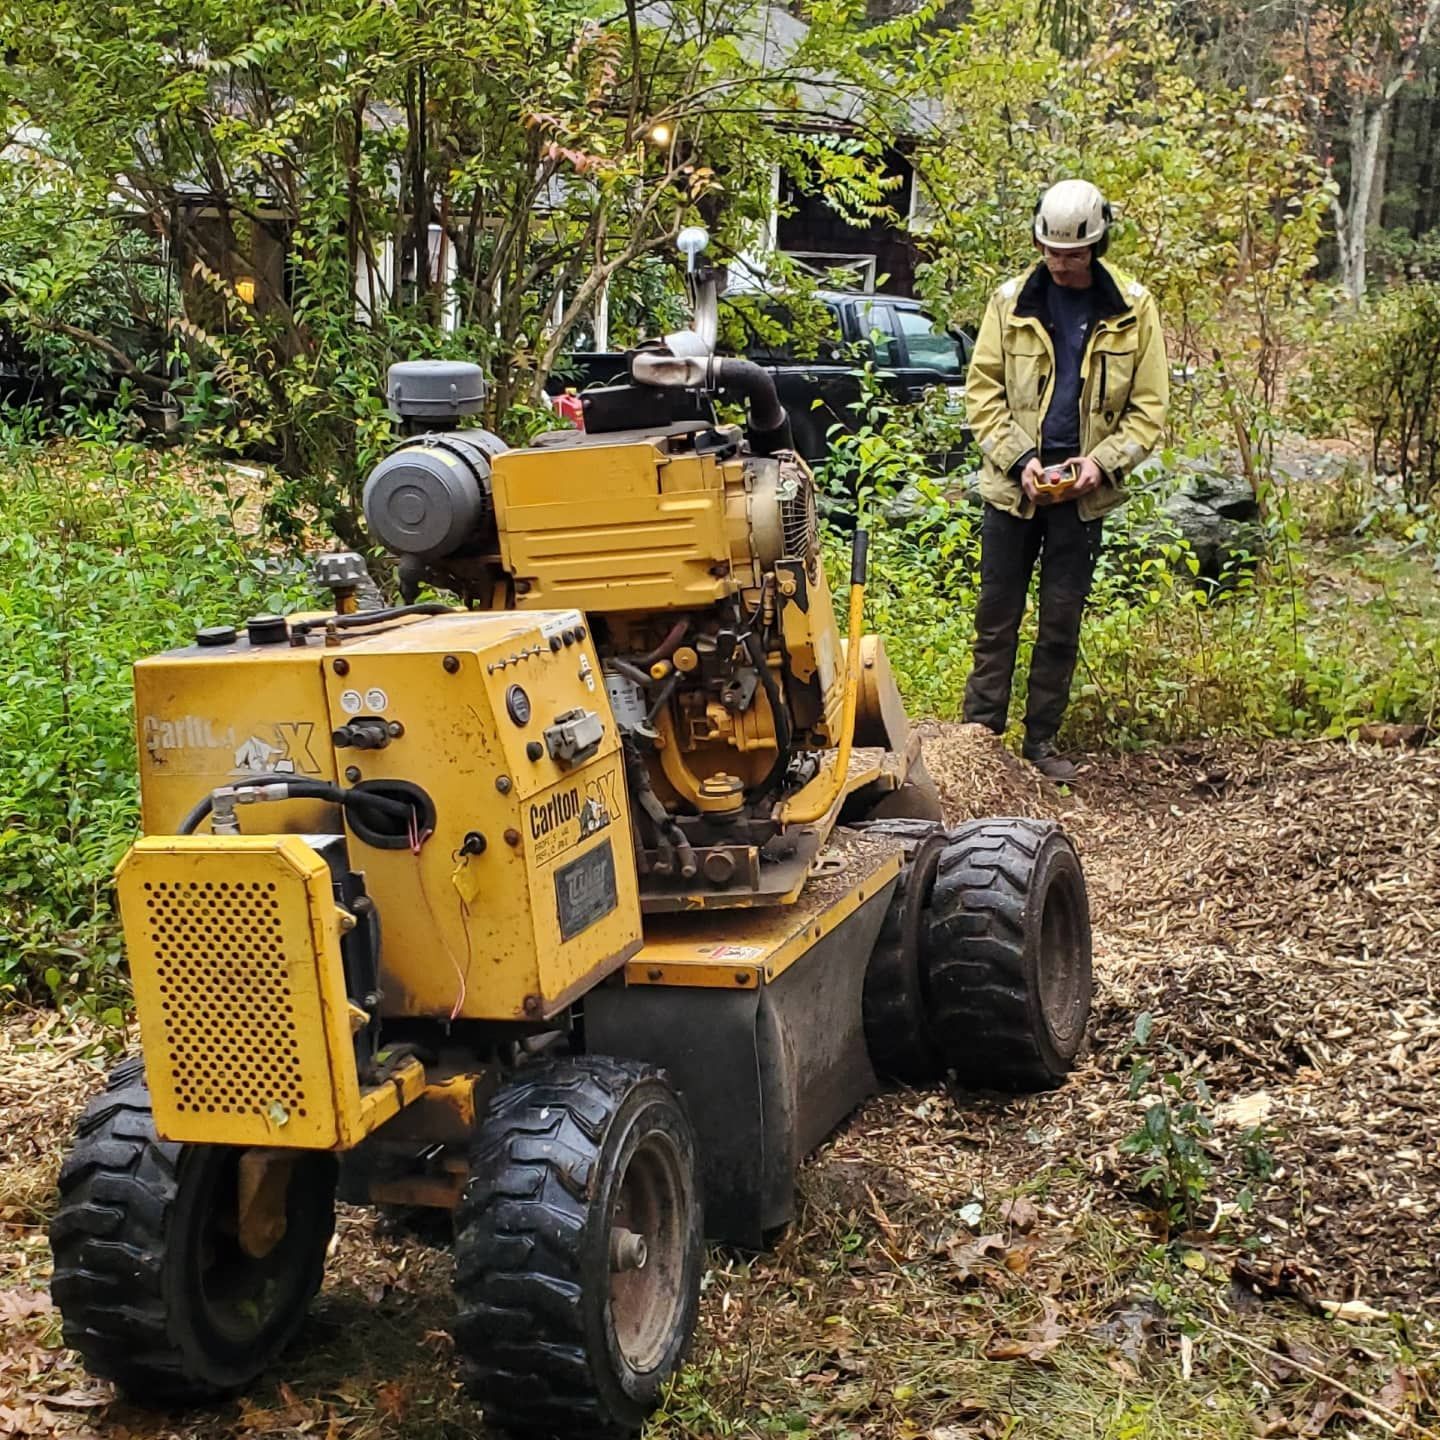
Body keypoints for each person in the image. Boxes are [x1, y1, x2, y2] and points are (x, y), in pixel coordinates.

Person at [963, 179, 1168, 781]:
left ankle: (1041, 746)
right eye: (1052, 251)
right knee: (996, 615)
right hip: (1012, 488)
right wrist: (1019, 458)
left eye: (1073, 254)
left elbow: (1148, 407)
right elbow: (983, 392)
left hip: (1081, 499)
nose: (1060, 263)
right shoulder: (1010, 301)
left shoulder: (1133, 307)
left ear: (1098, 246)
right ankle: (980, 741)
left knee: (1060, 619)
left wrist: (1100, 464)